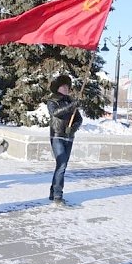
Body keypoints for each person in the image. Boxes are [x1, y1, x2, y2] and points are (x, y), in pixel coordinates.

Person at [47, 74, 83, 205]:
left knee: (62, 166)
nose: (66, 89)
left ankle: (53, 191)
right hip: (57, 135)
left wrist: (73, 128)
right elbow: (56, 113)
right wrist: (71, 106)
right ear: (57, 88)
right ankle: (58, 195)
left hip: (69, 137)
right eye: (63, 86)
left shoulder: (70, 101)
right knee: (61, 165)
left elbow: (79, 119)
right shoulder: (52, 101)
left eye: (68, 86)